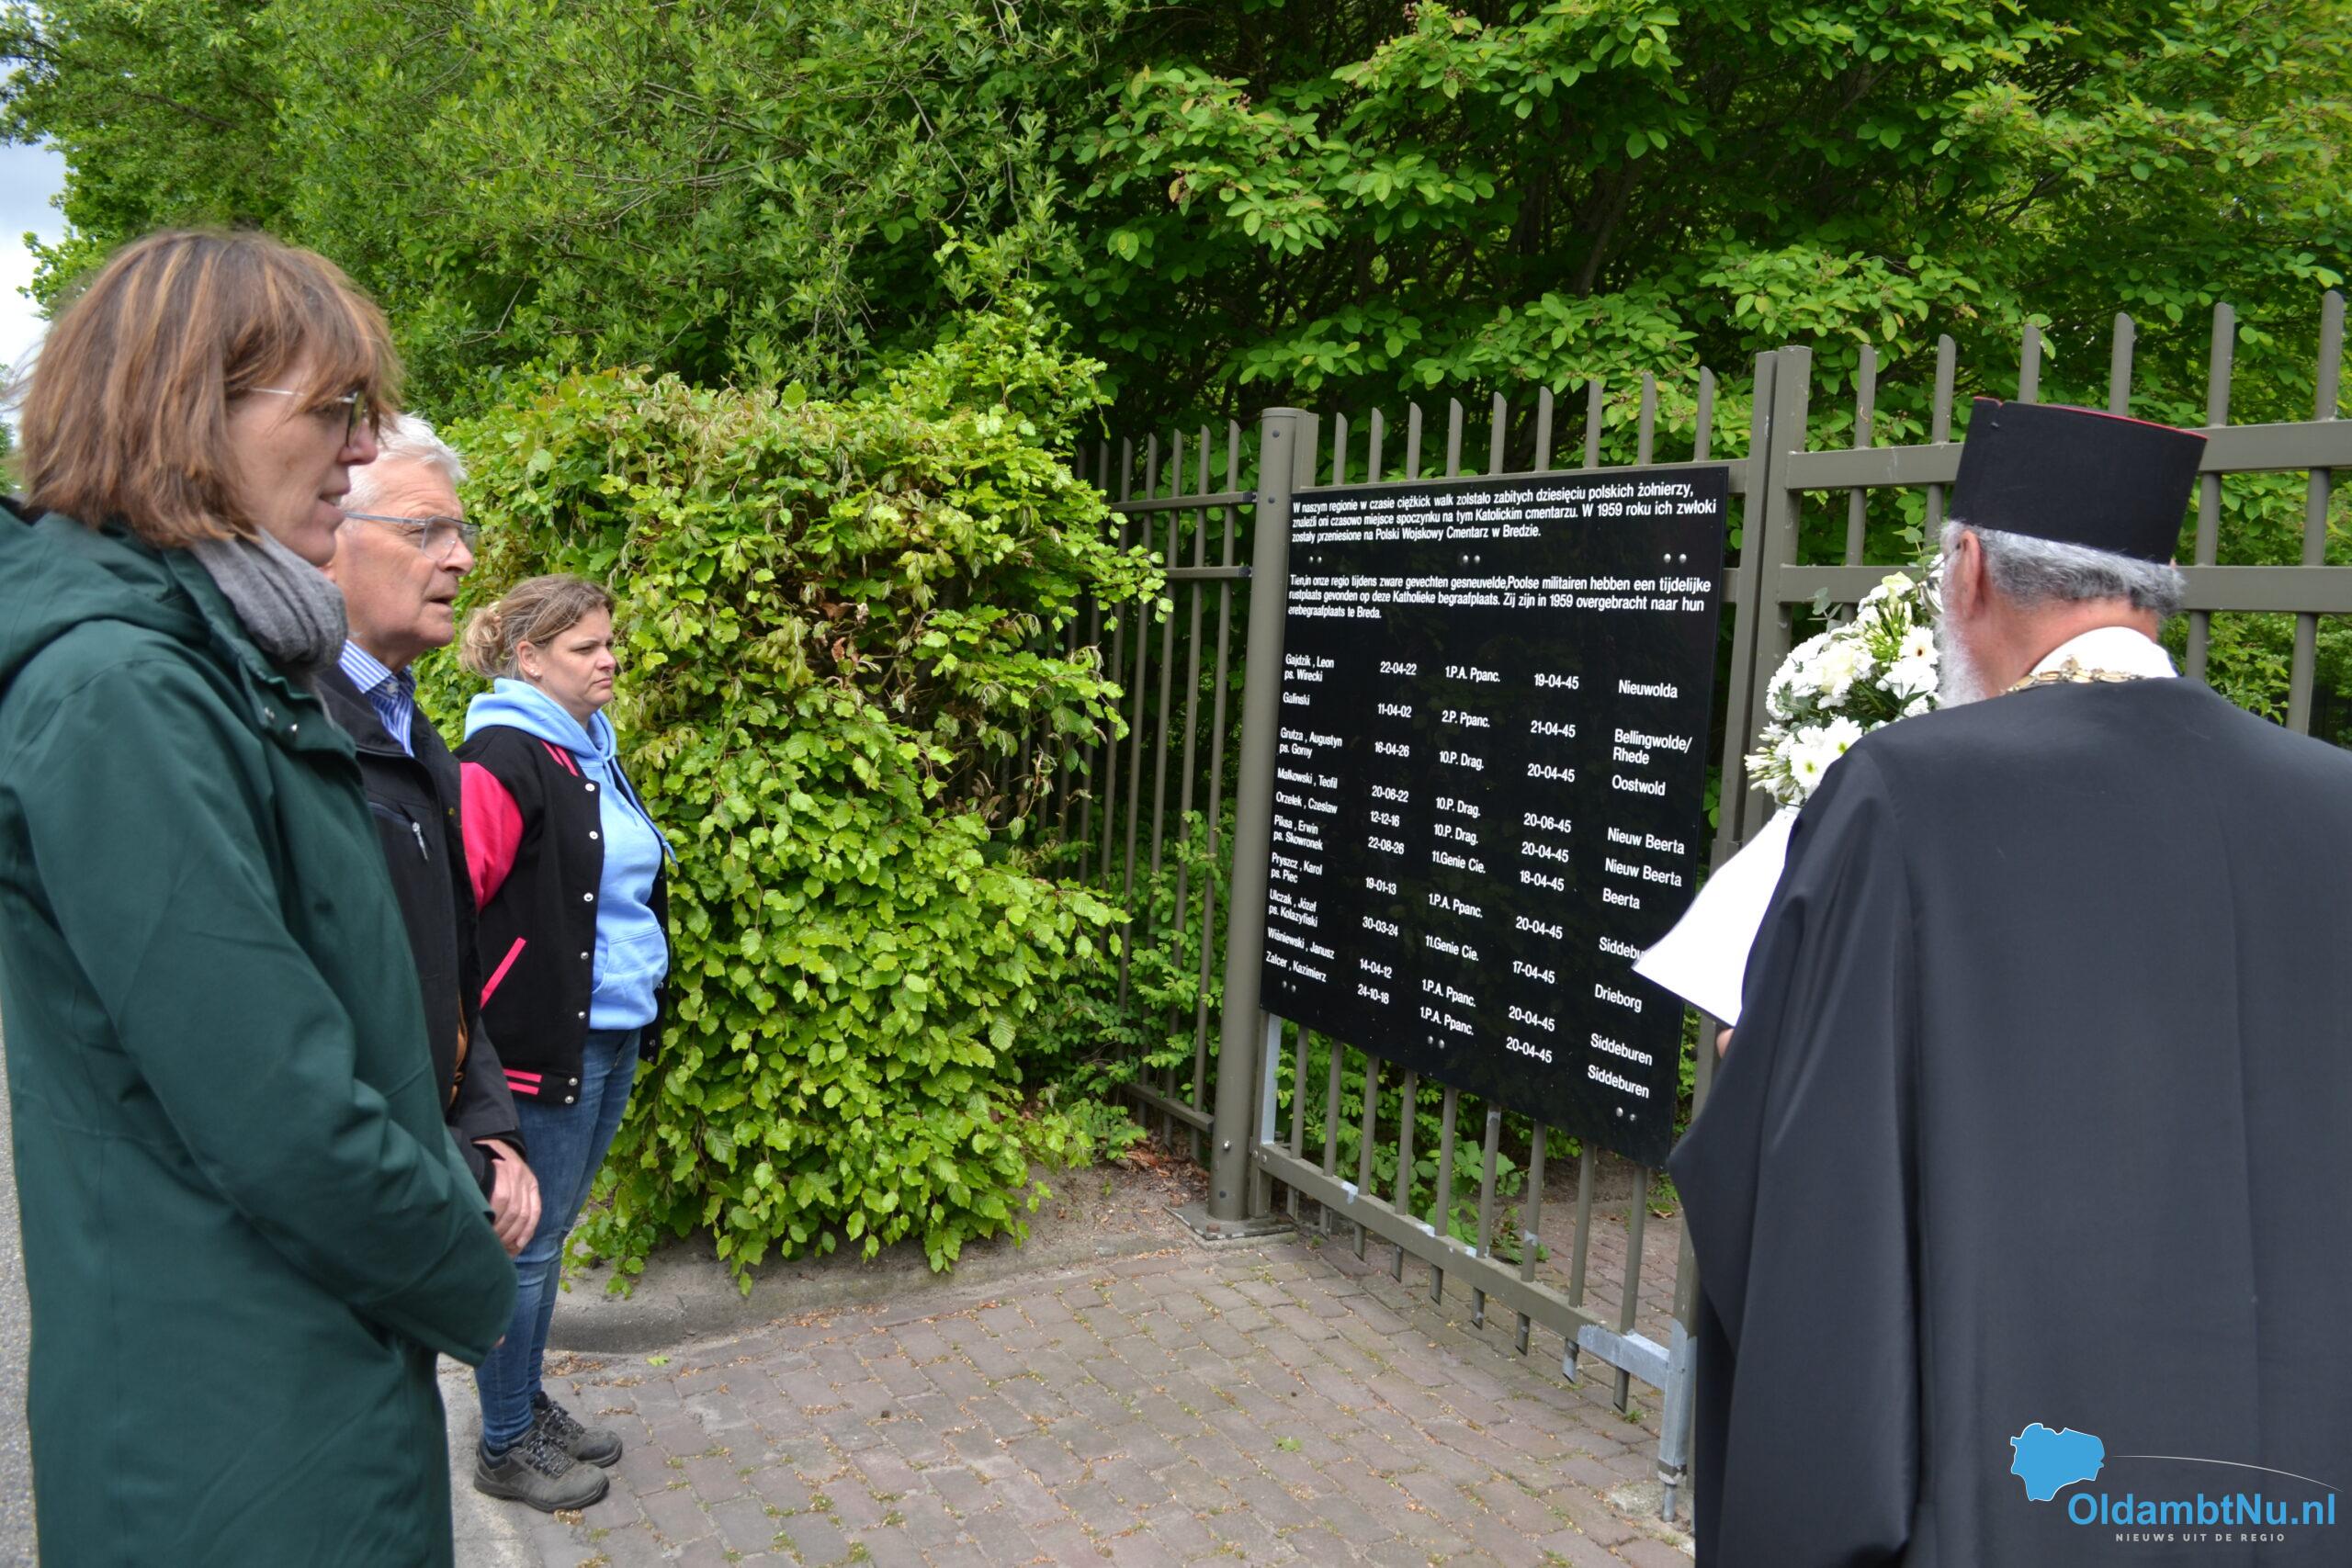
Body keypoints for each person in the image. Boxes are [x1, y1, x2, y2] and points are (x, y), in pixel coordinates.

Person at [1669, 399, 2352, 1565]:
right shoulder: (2331, 801)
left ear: (1969, 570)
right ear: (2152, 591)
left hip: (2015, 1480)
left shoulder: (1908, 793)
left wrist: (1760, 1067)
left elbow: (1808, 1169)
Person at [0, 230, 515, 1566]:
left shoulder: (223, 664)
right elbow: (282, 1110)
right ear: (188, 409)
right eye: (334, 408)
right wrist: (470, 1272)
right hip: (231, 1435)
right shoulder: (126, 689)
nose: (362, 448)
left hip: (296, 1373)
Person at [457, 573, 673, 1511]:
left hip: (611, 1029)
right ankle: (505, 1442)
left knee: (549, 1237)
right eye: (586, 647)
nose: (608, 660)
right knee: (525, 1244)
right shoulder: (502, 756)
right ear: (529, 657)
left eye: (609, 642)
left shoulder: (589, 748)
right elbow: (452, 907)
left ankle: (526, 1404)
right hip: (542, 1038)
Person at [319, 414, 540, 1252]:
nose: (462, 558)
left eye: (460, 531)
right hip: (370, 1201)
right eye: (425, 531)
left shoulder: (415, 733)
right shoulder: (289, 734)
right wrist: (458, 1165)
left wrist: (489, 1126)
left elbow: (451, 971)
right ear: (324, 533)